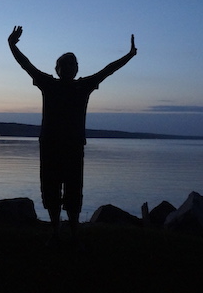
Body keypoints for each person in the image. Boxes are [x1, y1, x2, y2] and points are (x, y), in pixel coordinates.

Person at [8, 25, 137, 244]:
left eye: (73, 64)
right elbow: (26, 65)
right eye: (65, 64)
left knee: (73, 190)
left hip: (73, 146)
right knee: (50, 189)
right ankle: (57, 231)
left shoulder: (83, 86)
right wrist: (12, 45)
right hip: (50, 145)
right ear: (58, 69)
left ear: (76, 69)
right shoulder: (49, 83)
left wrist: (129, 55)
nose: (69, 67)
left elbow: (109, 69)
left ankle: (74, 232)